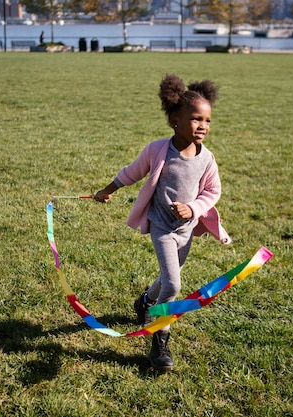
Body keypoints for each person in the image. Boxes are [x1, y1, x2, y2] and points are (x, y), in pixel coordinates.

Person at [94, 74, 231, 372]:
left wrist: (193, 208)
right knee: (173, 283)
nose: (203, 126)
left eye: (207, 120)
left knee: (166, 280)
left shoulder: (207, 160)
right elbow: (131, 172)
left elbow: (212, 191)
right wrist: (107, 190)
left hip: (186, 232)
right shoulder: (158, 150)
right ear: (175, 120)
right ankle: (159, 338)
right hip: (162, 228)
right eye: (196, 119)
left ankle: (144, 301)